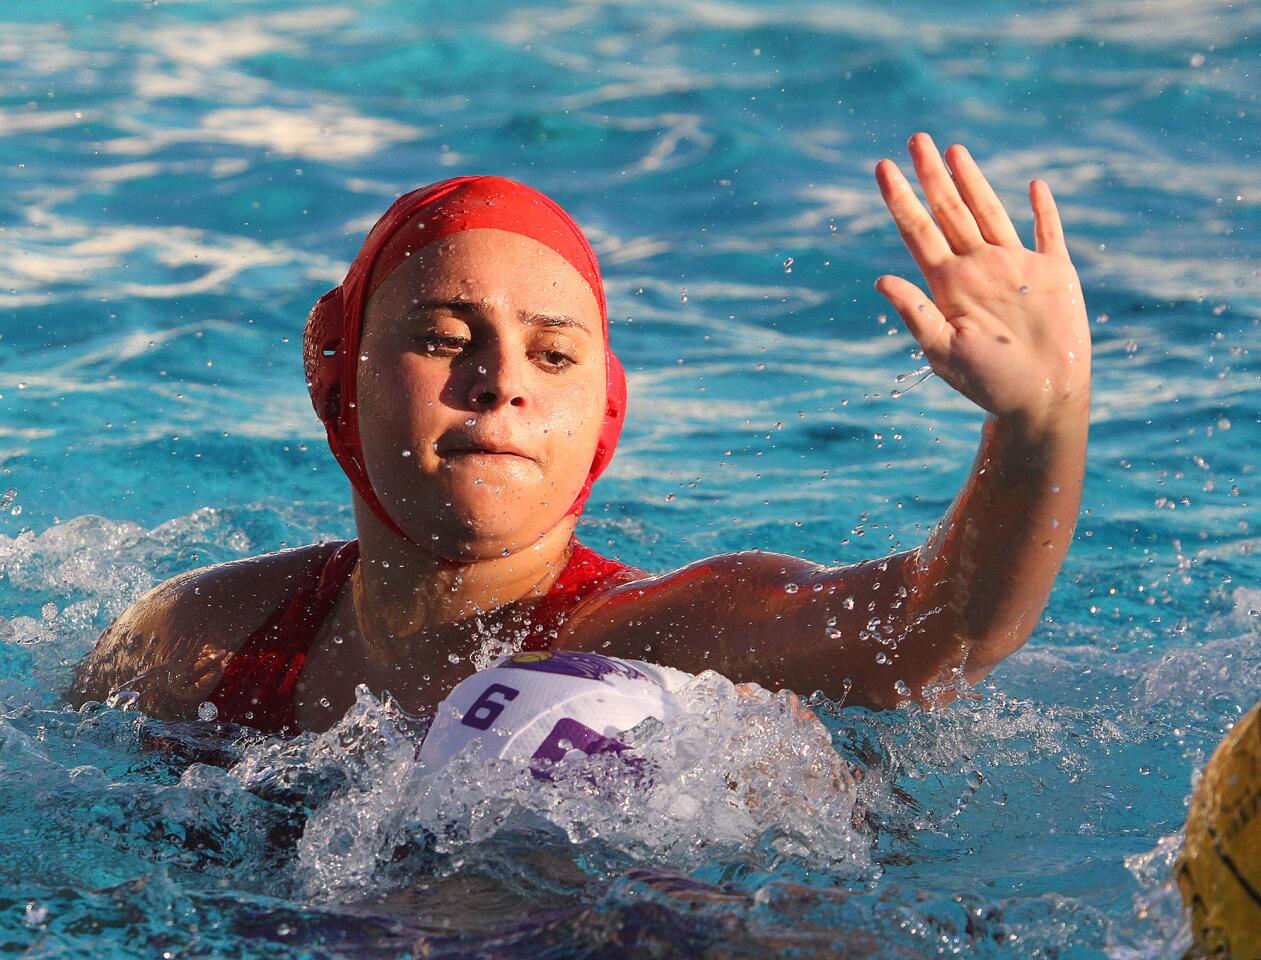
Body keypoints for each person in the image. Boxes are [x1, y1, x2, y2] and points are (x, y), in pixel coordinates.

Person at [68, 133, 1090, 735]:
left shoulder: (666, 641)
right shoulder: (198, 643)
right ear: (332, 370)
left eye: (554, 354)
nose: (501, 380)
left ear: (602, 413)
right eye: (441, 338)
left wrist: (1038, 418)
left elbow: (934, 633)